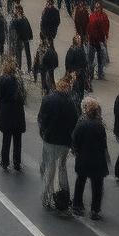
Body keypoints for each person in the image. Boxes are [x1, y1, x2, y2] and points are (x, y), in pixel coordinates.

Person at [38, 76, 78, 212]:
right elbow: (74, 123)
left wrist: (43, 133)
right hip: (65, 142)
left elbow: (42, 119)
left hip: (50, 140)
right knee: (62, 167)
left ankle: (46, 197)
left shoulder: (48, 100)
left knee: (49, 167)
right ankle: (65, 196)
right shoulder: (71, 103)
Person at [71, 99, 109, 221]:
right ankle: (95, 210)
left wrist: (76, 151)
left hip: (83, 158)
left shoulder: (81, 125)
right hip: (97, 160)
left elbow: (75, 141)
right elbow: (103, 145)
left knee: (80, 182)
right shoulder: (100, 126)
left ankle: (77, 205)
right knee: (97, 186)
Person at [0, 57, 26, 172]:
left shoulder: (1, 80)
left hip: (5, 112)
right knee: (17, 140)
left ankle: (5, 162)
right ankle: (17, 163)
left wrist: (4, 101)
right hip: (17, 112)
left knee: (6, 139)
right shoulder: (18, 81)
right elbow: (23, 96)